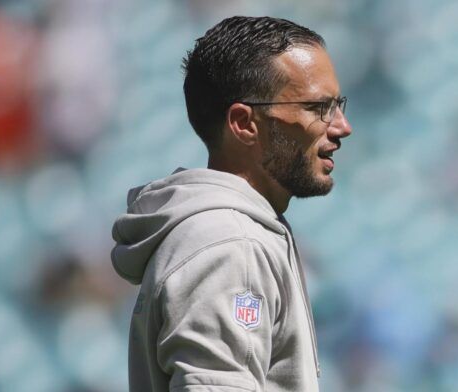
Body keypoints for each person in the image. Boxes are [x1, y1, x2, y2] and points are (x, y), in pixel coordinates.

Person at [110, 16, 352, 391]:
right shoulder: (231, 243)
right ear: (244, 123)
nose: (341, 126)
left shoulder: (231, 233)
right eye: (318, 108)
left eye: (338, 105)